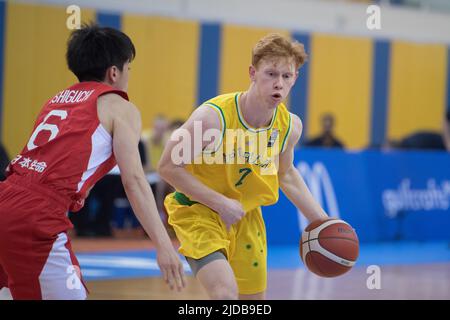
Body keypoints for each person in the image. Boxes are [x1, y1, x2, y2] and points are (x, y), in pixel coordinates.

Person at [0, 24, 185, 300]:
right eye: (128, 68)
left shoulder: (55, 101)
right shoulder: (120, 107)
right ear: (114, 71)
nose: (128, 75)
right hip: (36, 215)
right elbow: (133, 180)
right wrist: (164, 244)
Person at [158, 33, 328, 300]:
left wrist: (323, 221)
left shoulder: (289, 126)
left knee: (252, 302)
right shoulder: (212, 117)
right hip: (198, 211)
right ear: (252, 72)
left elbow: (286, 174)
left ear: (295, 78)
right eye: (271, 74)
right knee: (225, 293)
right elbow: (168, 167)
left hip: (245, 217)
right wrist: (220, 203)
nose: (279, 83)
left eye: (287, 76)